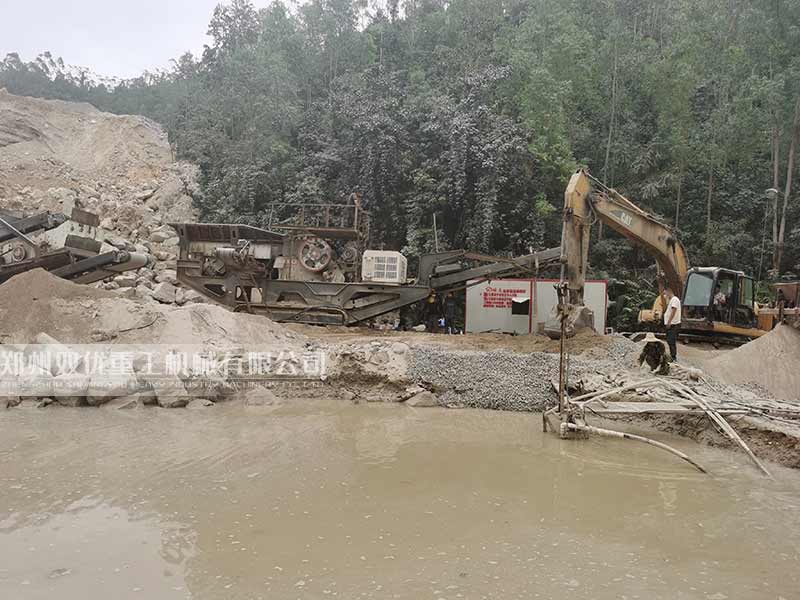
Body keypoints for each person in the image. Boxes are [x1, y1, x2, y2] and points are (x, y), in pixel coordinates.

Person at [663, 288, 681, 362]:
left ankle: (673, 358)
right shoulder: (671, 300)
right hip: (671, 324)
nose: (665, 295)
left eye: (665, 293)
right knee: (669, 340)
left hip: (673, 324)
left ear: (669, 292)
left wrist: (669, 322)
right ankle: (672, 356)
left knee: (671, 341)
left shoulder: (674, 299)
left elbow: (674, 310)